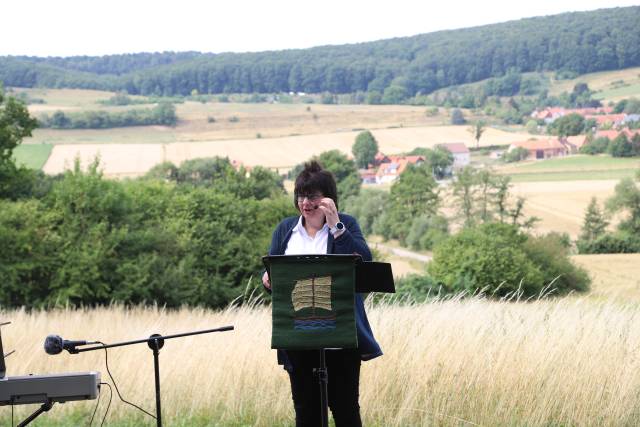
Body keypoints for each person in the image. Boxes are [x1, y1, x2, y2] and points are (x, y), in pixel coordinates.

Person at [262, 160, 382, 427]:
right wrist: (268, 280)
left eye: (312, 196)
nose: (305, 202)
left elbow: (364, 262)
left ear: (328, 198)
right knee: (306, 413)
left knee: (346, 409)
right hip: (297, 337)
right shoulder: (284, 230)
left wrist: (336, 225)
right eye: (301, 196)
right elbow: (274, 277)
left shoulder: (346, 225)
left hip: (340, 337)